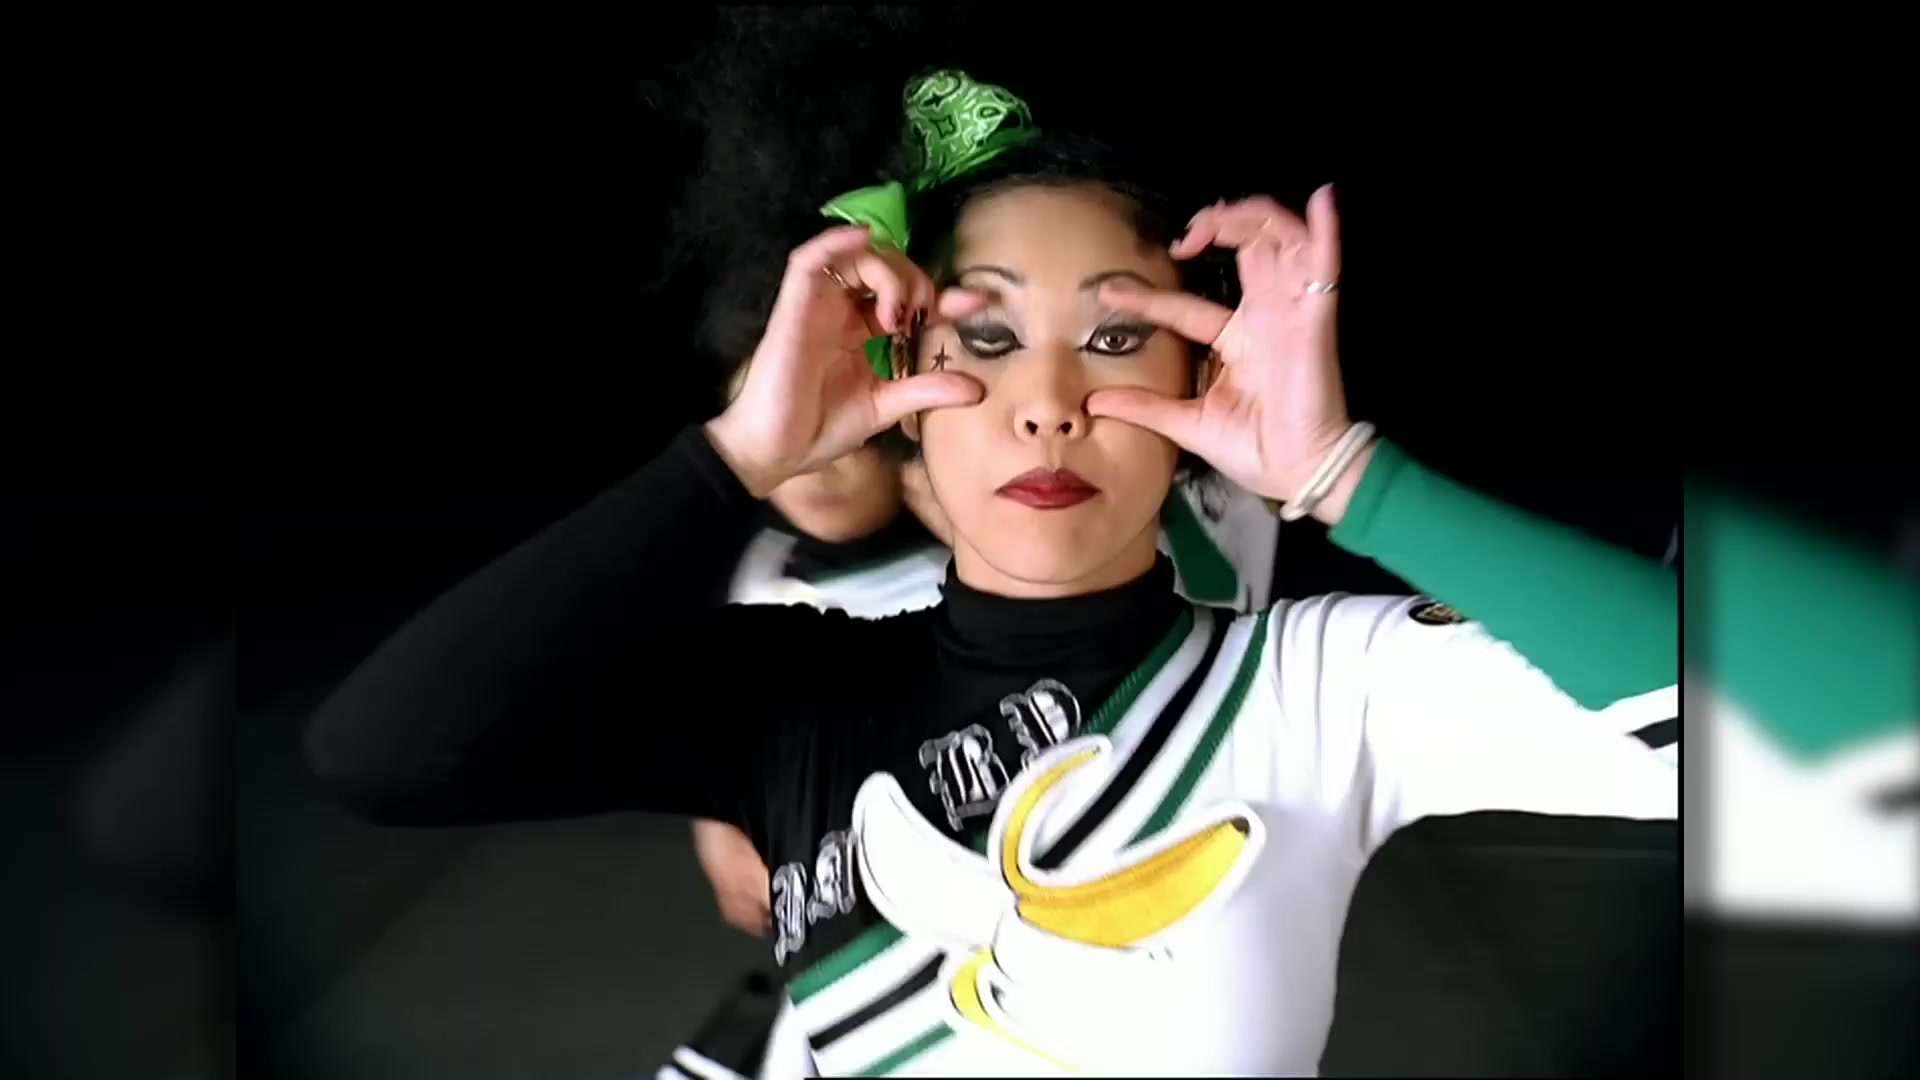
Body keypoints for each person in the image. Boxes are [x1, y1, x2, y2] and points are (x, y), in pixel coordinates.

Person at [307, 71, 1681, 1076]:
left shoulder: (1328, 683)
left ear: (1207, 377)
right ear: (895, 388)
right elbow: (383, 753)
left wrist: (1346, 474)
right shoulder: (787, 687)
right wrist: (731, 461)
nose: (1047, 406)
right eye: (984, 337)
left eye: (1116, 338)